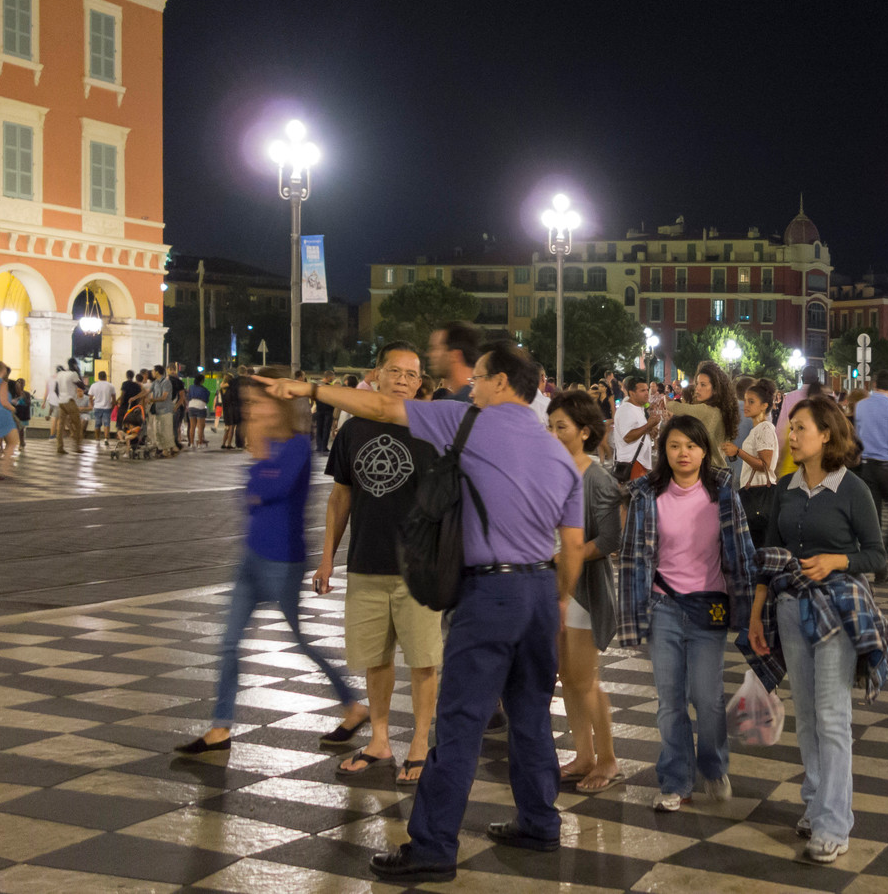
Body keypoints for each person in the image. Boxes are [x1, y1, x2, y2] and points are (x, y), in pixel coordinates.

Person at [258, 342, 584, 885]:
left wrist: (308, 389)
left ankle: (432, 846)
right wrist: (558, 597)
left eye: (479, 378)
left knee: (458, 723)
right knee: (530, 715)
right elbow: (571, 544)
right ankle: (540, 822)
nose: (470, 387)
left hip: (490, 593)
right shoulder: (557, 452)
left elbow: (383, 408)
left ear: (502, 383)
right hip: (539, 593)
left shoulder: (470, 422)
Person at [177, 370, 360, 757]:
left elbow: (269, 490)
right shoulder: (265, 446)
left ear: (278, 406)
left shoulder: (296, 446)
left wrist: (259, 465)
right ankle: (220, 727)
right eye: (248, 404)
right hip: (251, 558)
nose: (250, 410)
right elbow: (249, 496)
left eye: (257, 403)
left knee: (299, 641)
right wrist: (258, 472)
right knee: (229, 643)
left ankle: (353, 705)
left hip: (283, 561)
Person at [748, 395, 888, 865]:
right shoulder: (787, 487)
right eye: (791, 429)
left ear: (826, 435)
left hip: (837, 613)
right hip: (791, 609)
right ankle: (815, 803)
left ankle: (835, 822)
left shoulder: (852, 490)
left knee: (832, 716)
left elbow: (877, 557)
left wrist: (837, 560)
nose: (792, 436)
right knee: (807, 715)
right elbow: (770, 552)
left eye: (800, 429)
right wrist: (757, 613)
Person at [310, 342, 443, 784]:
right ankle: (380, 740)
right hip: (366, 563)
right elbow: (340, 496)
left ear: (420, 381)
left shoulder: (432, 428)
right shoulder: (353, 430)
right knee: (376, 659)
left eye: (412, 374)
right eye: (395, 372)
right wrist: (327, 559)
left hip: (418, 570)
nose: (404, 380)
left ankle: (421, 745)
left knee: (424, 662)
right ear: (377, 375)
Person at [620, 412, 758, 812]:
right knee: (669, 700)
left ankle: (714, 767)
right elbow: (633, 556)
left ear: (704, 450)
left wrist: (750, 611)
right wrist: (633, 612)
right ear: (664, 450)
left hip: (709, 608)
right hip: (663, 604)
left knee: (708, 697)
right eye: (675, 445)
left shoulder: (722, 493)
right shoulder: (648, 493)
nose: (684, 453)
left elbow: (743, 552)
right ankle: (676, 780)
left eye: (692, 446)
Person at [546, 389, 624, 794]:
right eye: (551, 425)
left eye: (563, 427)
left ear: (585, 432)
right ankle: (583, 754)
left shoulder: (597, 478)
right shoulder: (546, 470)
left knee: (583, 677)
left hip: (584, 592)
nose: (554, 433)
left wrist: (570, 556)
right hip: (553, 587)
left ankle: (608, 759)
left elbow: (610, 538)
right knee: (566, 677)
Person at [852, 369, 888, 573]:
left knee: (875, 519)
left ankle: (879, 566)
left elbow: (858, 436)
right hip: (887, 468)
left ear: (874, 384)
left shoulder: (861, 406)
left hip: (867, 467)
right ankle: (884, 553)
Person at [729, 378, 779, 542]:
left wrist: (738, 452)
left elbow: (765, 465)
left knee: (757, 539)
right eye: (746, 401)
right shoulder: (758, 428)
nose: (747, 405)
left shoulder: (765, 428)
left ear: (764, 405)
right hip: (752, 488)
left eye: (751, 401)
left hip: (759, 491)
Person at [665, 360, 739, 456]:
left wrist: (664, 398)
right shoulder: (721, 410)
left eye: (703, 385)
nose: (697, 388)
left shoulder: (707, 410)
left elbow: (671, 406)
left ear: (716, 389)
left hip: (707, 467)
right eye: (697, 384)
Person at [612, 375, 657, 482]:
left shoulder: (639, 408)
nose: (647, 393)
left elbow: (639, 430)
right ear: (632, 393)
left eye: (647, 390)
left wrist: (650, 431)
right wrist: (649, 425)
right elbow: (627, 437)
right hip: (631, 461)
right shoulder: (626, 409)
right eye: (642, 390)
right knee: (633, 495)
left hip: (638, 461)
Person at [428, 322, 480, 401]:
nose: (430, 354)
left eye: (435, 348)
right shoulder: (484, 397)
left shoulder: (458, 403)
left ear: (454, 355)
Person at [52, 359, 85, 455]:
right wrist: (78, 372)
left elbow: (55, 389)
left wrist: (60, 397)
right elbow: (82, 386)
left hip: (61, 402)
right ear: (75, 365)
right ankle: (77, 447)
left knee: (61, 425)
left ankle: (60, 447)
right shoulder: (73, 374)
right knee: (78, 424)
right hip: (69, 401)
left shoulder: (61, 374)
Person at [147, 364, 176, 455]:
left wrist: (152, 400)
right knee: (158, 431)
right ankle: (164, 450)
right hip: (158, 410)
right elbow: (147, 392)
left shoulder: (166, 382)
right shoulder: (155, 383)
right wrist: (136, 398)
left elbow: (164, 397)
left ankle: (167, 450)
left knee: (166, 431)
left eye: (152, 371)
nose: (151, 372)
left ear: (157, 372)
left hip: (166, 410)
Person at [88, 371, 115, 443]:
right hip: (107, 407)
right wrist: (113, 405)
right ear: (106, 377)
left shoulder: (94, 385)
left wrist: (92, 404)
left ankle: (97, 438)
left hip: (97, 407)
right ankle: (106, 438)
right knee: (107, 423)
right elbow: (114, 397)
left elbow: (90, 397)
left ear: (98, 377)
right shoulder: (110, 385)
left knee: (97, 423)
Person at [186, 374, 211, 448]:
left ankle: (191, 443)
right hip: (200, 406)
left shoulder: (191, 387)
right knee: (200, 426)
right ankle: (200, 443)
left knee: (192, 426)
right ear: (202, 381)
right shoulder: (204, 389)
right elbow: (206, 399)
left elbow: (188, 396)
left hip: (191, 405)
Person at [11, 378, 32, 452]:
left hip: (23, 414)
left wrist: (23, 397)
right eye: (19, 383)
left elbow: (28, 403)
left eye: (22, 383)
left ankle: (21, 442)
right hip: (16, 413)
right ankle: (19, 442)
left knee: (21, 430)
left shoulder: (26, 394)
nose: (21, 385)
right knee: (17, 429)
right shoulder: (14, 393)